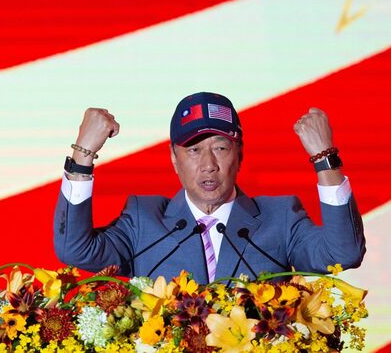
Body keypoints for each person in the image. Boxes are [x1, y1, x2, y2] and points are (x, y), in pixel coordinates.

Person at [53, 92, 365, 282]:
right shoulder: (143, 220)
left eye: (220, 148)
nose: (208, 164)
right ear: (174, 159)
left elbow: (345, 253)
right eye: (194, 150)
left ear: (239, 155)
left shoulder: (280, 217)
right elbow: (75, 250)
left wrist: (324, 159)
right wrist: (82, 154)